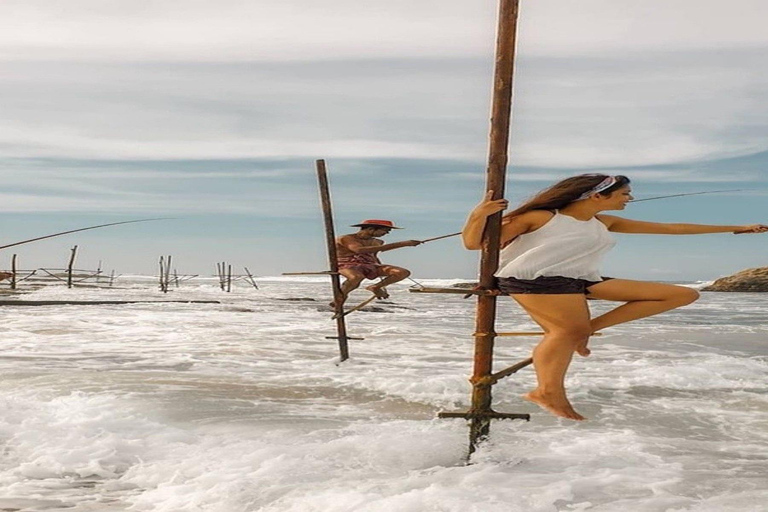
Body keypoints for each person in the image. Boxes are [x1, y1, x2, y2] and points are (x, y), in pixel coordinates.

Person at [462, 174, 768, 421]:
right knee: (565, 332)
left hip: (578, 280)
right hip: (533, 280)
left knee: (680, 294)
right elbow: (474, 244)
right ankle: (546, 391)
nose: (629, 199)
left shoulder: (602, 222)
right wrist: (477, 216)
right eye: (624, 194)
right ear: (598, 195)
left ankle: (587, 330)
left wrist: (737, 227)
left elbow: (672, 228)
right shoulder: (541, 217)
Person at [333, 219, 422, 307]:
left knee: (402, 272)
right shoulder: (346, 238)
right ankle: (341, 297)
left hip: (369, 264)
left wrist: (380, 270)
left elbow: (373, 256)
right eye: (385, 230)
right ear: (371, 229)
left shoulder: (378, 242)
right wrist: (403, 244)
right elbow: (359, 250)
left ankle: (376, 287)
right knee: (356, 277)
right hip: (346, 264)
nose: (387, 233)